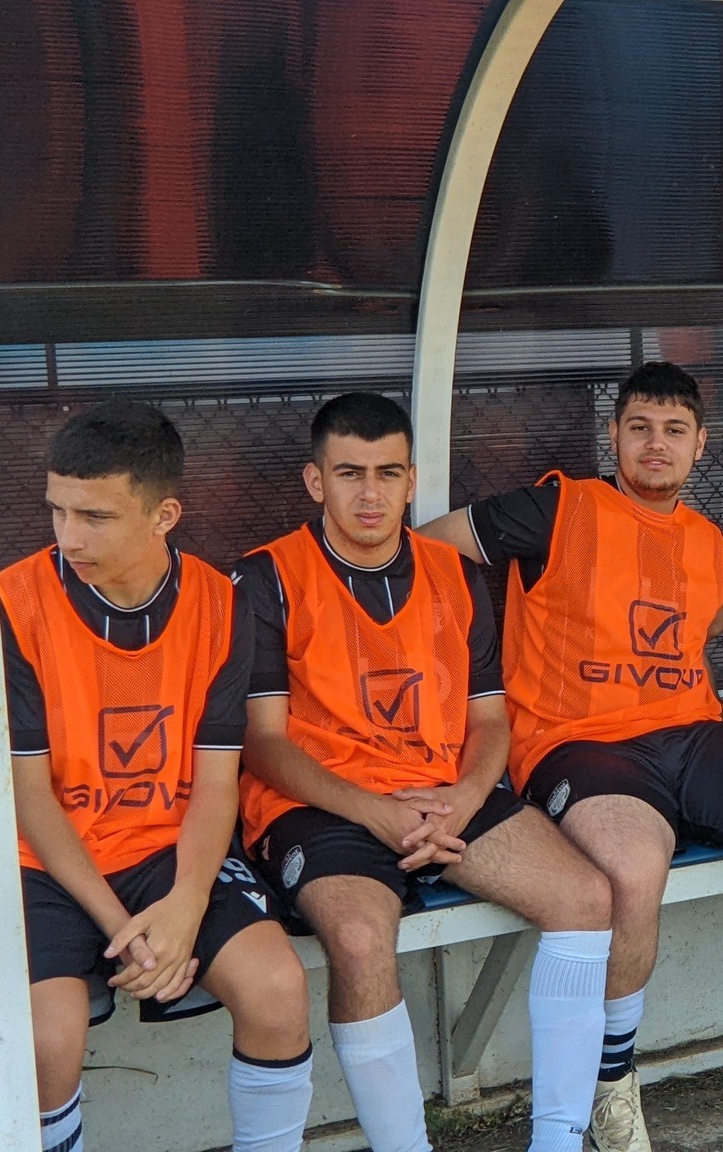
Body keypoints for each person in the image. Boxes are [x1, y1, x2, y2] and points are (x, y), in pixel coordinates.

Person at [417, 363, 723, 1152]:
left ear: (700, 444)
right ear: (614, 436)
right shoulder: (558, 507)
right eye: (639, 428)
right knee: (633, 869)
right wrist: (467, 664)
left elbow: (710, 620)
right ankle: (611, 1079)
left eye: (674, 431)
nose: (655, 444)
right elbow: (422, 548)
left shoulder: (702, 537)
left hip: (686, 729)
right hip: (576, 739)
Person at [0, 401, 313, 1152]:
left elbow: (216, 782)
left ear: (164, 515)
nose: (68, 536)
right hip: (27, 853)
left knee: (277, 989)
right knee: (45, 1040)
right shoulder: (8, 603)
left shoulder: (221, 604)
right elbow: (26, 795)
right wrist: (126, 934)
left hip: (162, 847)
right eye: (57, 510)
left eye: (95, 517)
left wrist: (185, 906)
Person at [237, 393, 614, 1152]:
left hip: (444, 793)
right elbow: (263, 745)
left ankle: (559, 1140)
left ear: (412, 481)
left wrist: (463, 799)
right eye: (349, 473)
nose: (369, 494)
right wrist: (376, 812)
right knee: (358, 939)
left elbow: (490, 720)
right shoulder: (266, 577)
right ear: (315, 481)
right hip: (322, 801)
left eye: (387, 473)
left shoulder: (454, 573)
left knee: (585, 896)